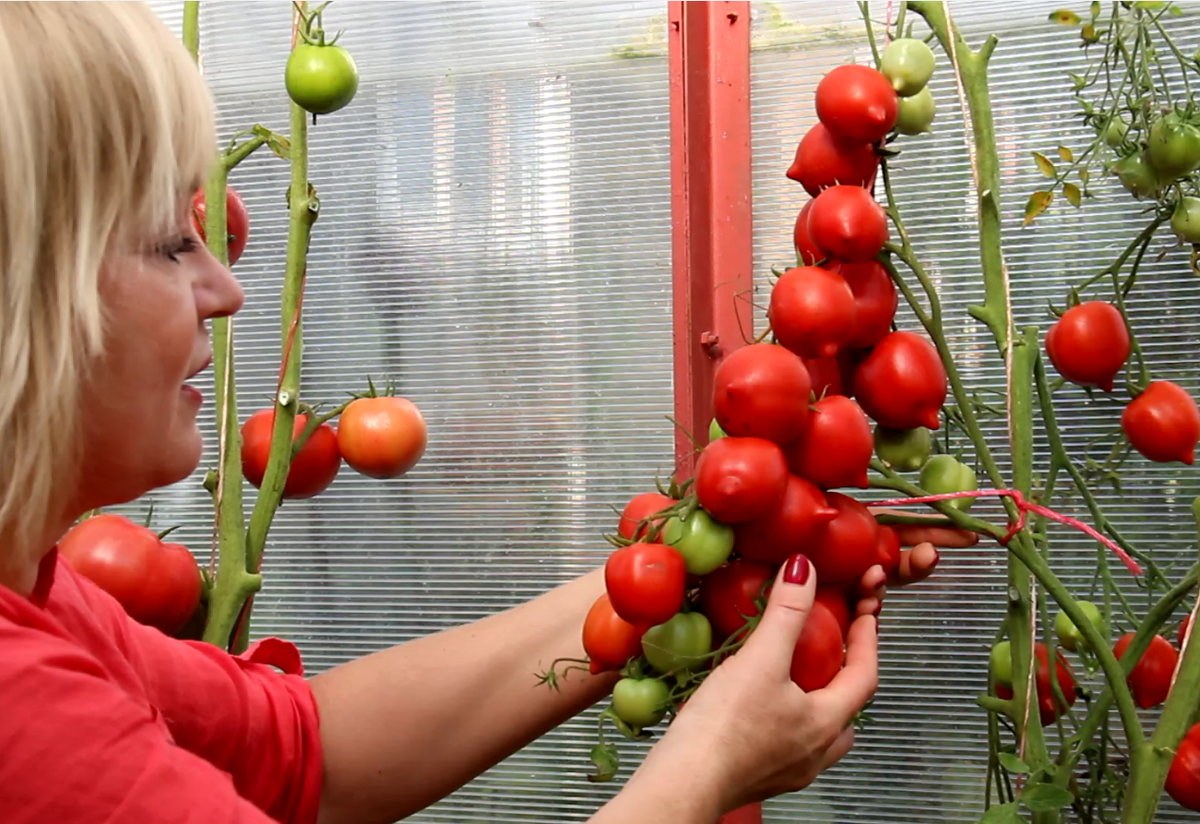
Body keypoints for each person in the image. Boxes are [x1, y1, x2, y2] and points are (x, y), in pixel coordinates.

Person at [0, 3, 977, 823]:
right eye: (174, 243)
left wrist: (695, 545)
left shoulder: (32, 589)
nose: (227, 289)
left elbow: (299, 750)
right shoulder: (19, 703)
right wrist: (706, 767)